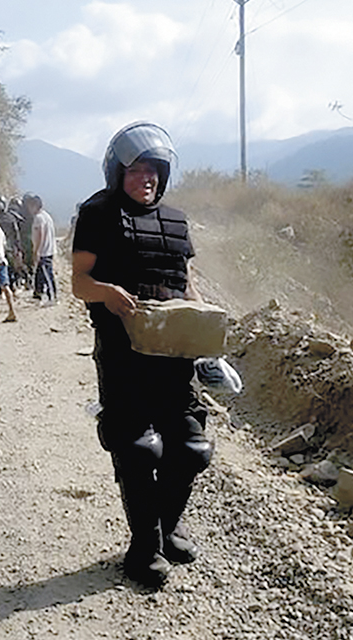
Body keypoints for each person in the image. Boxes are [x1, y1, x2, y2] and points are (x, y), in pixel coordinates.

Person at [71, 122, 213, 586]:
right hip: (123, 353)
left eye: (153, 170)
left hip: (175, 354)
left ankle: (168, 527)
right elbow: (78, 283)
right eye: (136, 170)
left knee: (190, 448)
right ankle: (143, 547)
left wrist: (204, 325)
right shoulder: (97, 214)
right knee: (137, 448)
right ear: (117, 172)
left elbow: (185, 283)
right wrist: (106, 292)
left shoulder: (176, 220)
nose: (146, 178)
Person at [26, 193, 57, 305]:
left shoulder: (39, 218)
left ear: (35, 205)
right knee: (40, 274)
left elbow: (40, 234)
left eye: (30, 205)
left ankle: (52, 297)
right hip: (47, 250)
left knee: (47, 275)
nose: (29, 208)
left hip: (44, 252)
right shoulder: (46, 216)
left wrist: (37, 251)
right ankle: (38, 294)